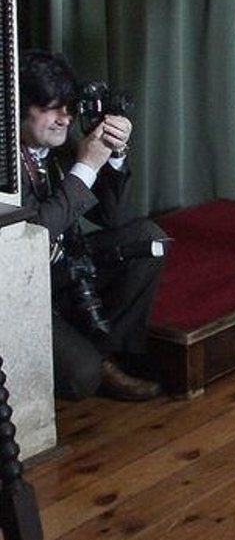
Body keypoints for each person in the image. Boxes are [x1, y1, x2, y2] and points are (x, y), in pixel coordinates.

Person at [19, 50, 166, 402]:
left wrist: (114, 153)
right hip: (25, 289)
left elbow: (111, 217)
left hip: (67, 269)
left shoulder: (59, 143)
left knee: (149, 239)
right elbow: (33, 237)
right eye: (50, 108)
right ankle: (96, 362)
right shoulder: (8, 158)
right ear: (20, 108)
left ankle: (109, 353)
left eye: (68, 107)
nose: (63, 119)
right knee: (83, 378)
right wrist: (85, 167)